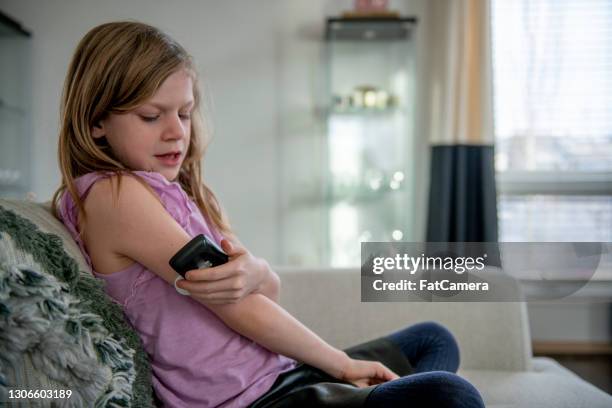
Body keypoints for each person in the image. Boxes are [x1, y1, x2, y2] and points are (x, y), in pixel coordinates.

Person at [52, 21, 485, 408]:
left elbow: (266, 292)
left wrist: (256, 272)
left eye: (184, 113)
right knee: (451, 394)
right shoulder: (115, 195)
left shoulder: (180, 191)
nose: (176, 131)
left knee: (433, 338)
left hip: (280, 373)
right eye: (151, 116)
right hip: (251, 400)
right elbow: (237, 309)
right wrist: (340, 363)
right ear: (96, 122)